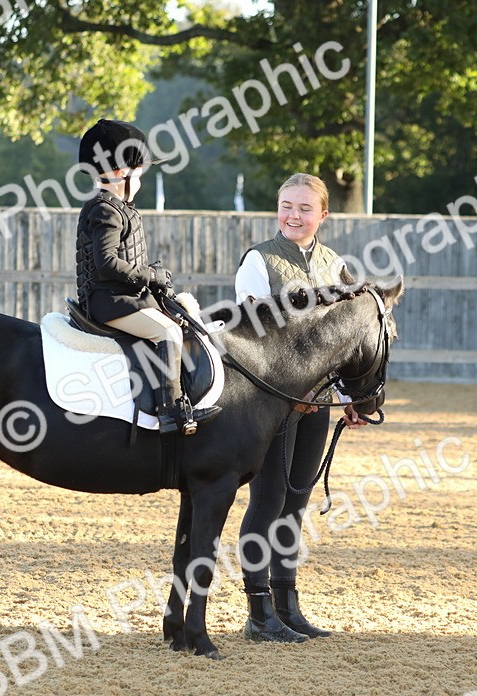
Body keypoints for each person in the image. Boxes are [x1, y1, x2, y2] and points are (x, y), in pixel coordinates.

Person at [234, 173, 366, 644]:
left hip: (320, 401)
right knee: (268, 499)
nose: (293, 215)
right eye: (286, 205)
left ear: (323, 214)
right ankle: (258, 613)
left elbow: (346, 341)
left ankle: (288, 607)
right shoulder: (259, 260)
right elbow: (254, 336)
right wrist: (294, 391)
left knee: (296, 503)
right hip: (272, 403)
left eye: (304, 208)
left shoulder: (335, 266)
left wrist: (348, 397)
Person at [74, 119, 219, 435]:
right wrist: (150, 274)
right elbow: (107, 263)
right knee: (167, 332)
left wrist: (151, 276)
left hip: (124, 296)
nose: (139, 182)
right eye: (137, 175)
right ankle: (171, 412)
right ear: (118, 173)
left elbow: (125, 259)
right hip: (108, 301)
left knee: (181, 320)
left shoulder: (117, 207)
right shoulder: (105, 209)